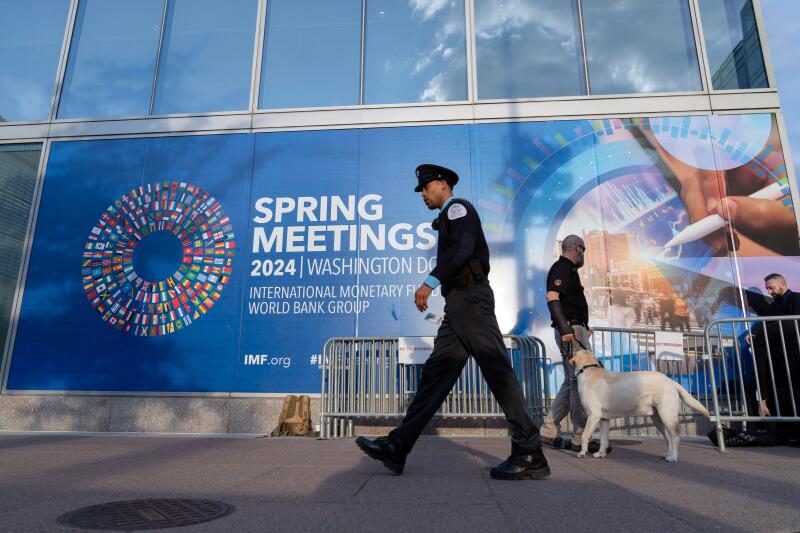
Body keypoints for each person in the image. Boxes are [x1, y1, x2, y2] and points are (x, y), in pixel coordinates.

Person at [355, 164, 549, 480]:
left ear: (442, 185)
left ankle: (529, 452)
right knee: (435, 377)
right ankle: (398, 446)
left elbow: (462, 249)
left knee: (497, 371)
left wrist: (429, 282)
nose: (421, 194)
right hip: (459, 306)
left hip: (471, 300)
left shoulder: (458, 208)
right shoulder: (446, 217)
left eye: (425, 187)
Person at [538, 235, 603, 453]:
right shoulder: (562, 267)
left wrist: (583, 325)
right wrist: (566, 328)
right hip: (570, 331)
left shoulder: (567, 270)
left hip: (574, 329)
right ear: (577, 248)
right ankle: (579, 436)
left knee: (572, 380)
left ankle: (548, 430)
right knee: (580, 381)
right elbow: (552, 296)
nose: (583, 254)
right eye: (583, 250)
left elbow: (566, 301)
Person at [745, 274, 800, 445]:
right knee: (783, 391)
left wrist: (761, 333)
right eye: (767, 288)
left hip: (795, 354)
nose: (769, 291)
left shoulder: (797, 299)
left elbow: (792, 324)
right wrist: (753, 333)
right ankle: (788, 431)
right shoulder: (773, 306)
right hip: (779, 357)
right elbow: (764, 323)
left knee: (795, 390)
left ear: (783, 284)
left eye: (772, 287)